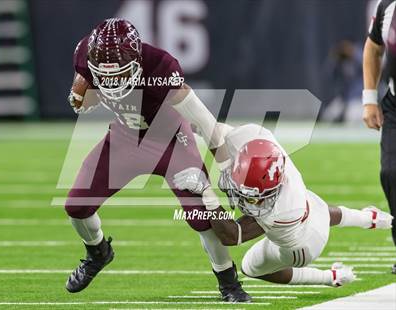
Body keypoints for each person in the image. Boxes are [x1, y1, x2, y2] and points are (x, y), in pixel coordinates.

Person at [64, 18, 251, 302]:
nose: (112, 83)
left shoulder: (161, 67)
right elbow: (86, 81)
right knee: (76, 205)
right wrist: (81, 91)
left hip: (172, 142)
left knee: (202, 218)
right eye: (105, 76)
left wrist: (226, 168)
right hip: (124, 138)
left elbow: (204, 123)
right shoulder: (85, 55)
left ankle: (229, 283)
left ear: (138, 61)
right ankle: (98, 252)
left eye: (119, 75)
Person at [174, 123, 393, 286]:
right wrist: (192, 123)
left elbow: (232, 236)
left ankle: (329, 277)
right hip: (311, 207)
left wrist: (207, 193)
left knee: (251, 267)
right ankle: (369, 219)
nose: (247, 197)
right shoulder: (258, 139)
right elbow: (216, 130)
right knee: (320, 210)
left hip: (302, 246)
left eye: (255, 195)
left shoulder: (281, 210)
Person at [362, 0, 396, 273]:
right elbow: (373, 49)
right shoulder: (388, 7)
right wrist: (369, 99)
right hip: (395, 104)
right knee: (391, 173)